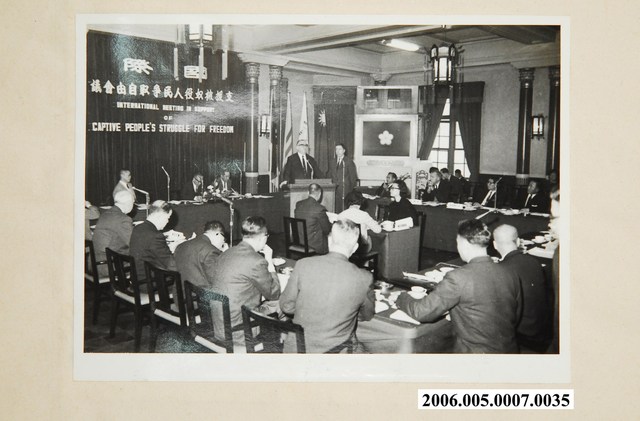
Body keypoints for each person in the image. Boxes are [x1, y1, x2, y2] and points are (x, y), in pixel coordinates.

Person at [395, 219, 522, 353]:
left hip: (474, 355)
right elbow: (514, 315)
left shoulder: (458, 277)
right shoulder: (510, 272)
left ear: (464, 243)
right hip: (509, 351)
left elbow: (421, 312)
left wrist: (401, 297)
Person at [280, 219, 375, 353]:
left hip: (297, 350)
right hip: (335, 353)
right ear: (355, 248)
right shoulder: (365, 277)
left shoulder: (303, 264)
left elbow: (286, 306)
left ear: (329, 241)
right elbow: (367, 315)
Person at [211, 216, 281, 350]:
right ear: (262, 237)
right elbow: (274, 293)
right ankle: (278, 346)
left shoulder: (226, 253)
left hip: (219, 326)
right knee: (284, 302)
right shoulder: (257, 261)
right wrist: (269, 261)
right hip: (239, 330)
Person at [494, 224, 551, 353]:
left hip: (521, 336)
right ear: (519, 241)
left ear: (495, 245)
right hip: (541, 329)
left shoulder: (501, 270)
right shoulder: (534, 262)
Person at [129, 200, 176, 282]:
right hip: (150, 283)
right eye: (168, 218)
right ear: (160, 216)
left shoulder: (138, 228)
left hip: (137, 278)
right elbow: (172, 265)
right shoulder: (156, 235)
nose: (168, 221)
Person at [174, 220, 228, 289]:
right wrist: (225, 255)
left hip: (180, 293)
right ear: (217, 234)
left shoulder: (180, 246)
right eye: (224, 239)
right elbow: (219, 279)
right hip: (201, 294)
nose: (223, 242)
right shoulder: (211, 250)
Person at [92, 190, 134, 276]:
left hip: (94, 263)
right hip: (108, 266)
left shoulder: (105, 214)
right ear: (128, 203)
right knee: (149, 264)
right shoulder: (123, 219)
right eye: (133, 203)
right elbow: (133, 243)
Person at [294, 183, 332, 254]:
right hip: (313, 245)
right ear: (320, 194)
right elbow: (327, 230)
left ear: (308, 192)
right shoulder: (320, 209)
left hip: (299, 241)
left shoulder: (298, 204)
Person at [328, 143, 358, 213]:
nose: (338, 151)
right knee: (335, 209)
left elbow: (353, 178)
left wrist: (350, 191)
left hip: (345, 191)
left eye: (340, 149)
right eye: (336, 149)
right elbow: (329, 175)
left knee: (344, 210)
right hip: (334, 190)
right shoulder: (332, 162)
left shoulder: (349, 161)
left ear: (344, 150)